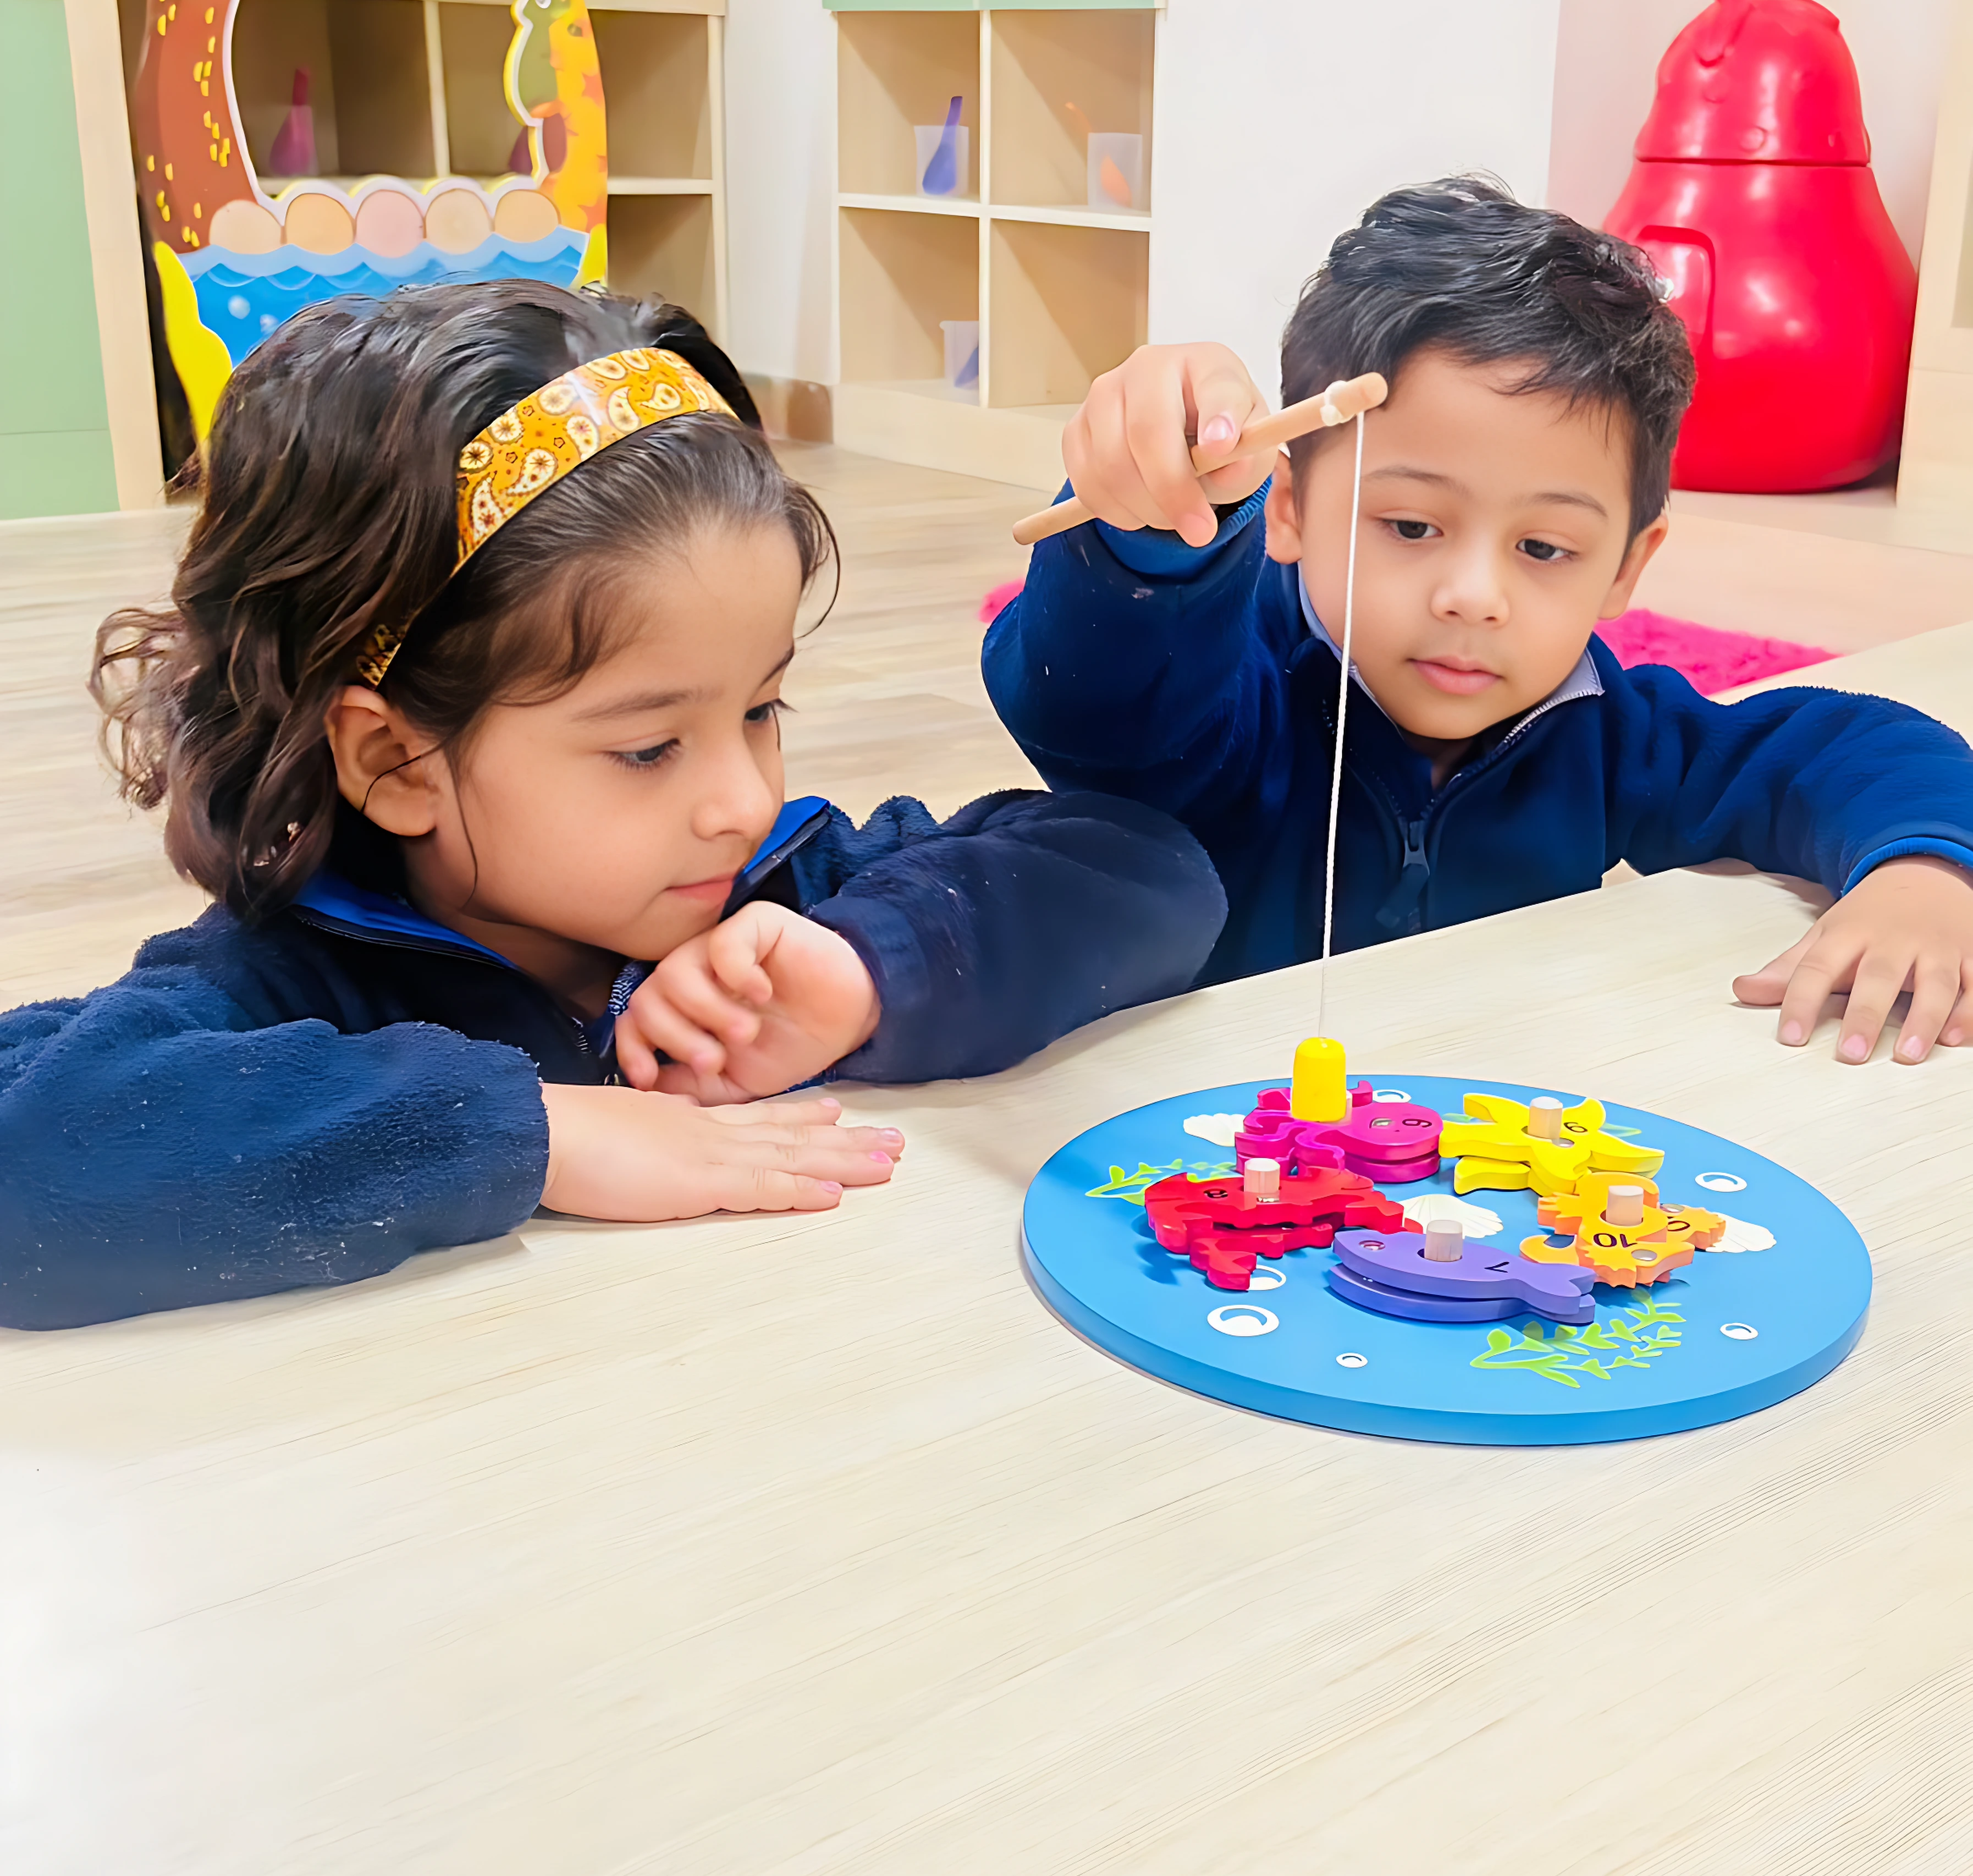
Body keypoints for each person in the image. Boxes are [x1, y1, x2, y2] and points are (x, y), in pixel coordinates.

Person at [0, 284, 1223, 1329]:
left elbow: (1152, 871)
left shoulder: (788, 903)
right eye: (648, 749)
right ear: (395, 762)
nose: (743, 802)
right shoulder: (284, 986)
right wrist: (534, 1133)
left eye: (761, 710)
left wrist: (864, 968)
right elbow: (32, 1155)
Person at [984, 177, 1973, 1064]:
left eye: (1545, 550)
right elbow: (1091, 702)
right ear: (1287, 508)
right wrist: (1149, 539)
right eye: (1412, 524)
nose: (1474, 595)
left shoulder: (1602, 724)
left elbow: (1834, 745)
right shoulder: (1231, 688)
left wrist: (1927, 868)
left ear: (1628, 566)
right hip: (1189, 1159)